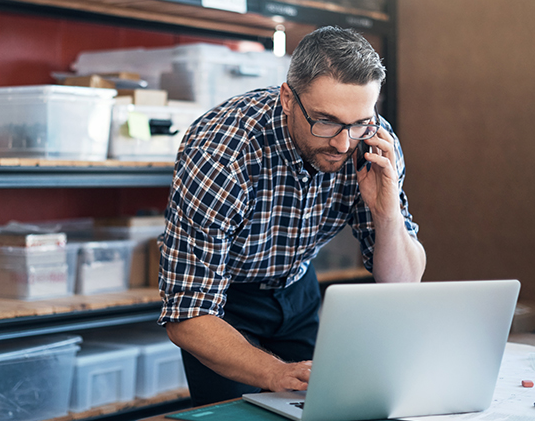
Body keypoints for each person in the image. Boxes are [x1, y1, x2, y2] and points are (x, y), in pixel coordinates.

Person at [157, 26, 426, 406]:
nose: (342, 143)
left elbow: (402, 283)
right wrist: (275, 372)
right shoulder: (222, 153)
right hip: (223, 305)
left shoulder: (372, 141)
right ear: (287, 98)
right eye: (326, 121)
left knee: (326, 409)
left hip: (298, 289)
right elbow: (187, 314)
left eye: (359, 123)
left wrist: (388, 216)